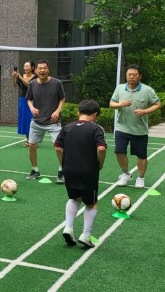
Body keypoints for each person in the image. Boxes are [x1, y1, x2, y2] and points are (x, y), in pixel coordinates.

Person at [54, 99, 107, 249]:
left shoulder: (67, 127)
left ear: (78, 112)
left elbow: (58, 148)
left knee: (74, 197)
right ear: (95, 114)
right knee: (91, 202)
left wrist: (63, 164)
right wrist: (100, 163)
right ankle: (85, 235)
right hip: (88, 170)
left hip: (69, 168)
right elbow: (101, 149)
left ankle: (68, 228)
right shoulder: (96, 129)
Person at [109, 64, 161, 189]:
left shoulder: (148, 90)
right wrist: (120, 104)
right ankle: (126, 174)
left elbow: (158, 104)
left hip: (139, 130)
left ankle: (141, 178)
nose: (131, 77)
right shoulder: (120, 88)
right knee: (119, 151)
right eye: (129, 74)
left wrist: (145, 111)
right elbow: (111, 103)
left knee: (141, 155)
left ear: (140, 76)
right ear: (126, 75)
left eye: (134, 75)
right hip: (122, 127)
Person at [25, 59, 66, 183]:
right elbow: (29, 99)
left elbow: (62, 98)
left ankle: (62, 171)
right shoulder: (32, 84)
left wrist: (58, 110)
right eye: (40, 68)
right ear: (36, 70)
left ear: (48, 69)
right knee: (32, 145)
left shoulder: (57, 83)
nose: (42, 70)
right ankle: (35, 170)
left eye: (44, 68)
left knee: (59, 148)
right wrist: (32, 108)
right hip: (37, 122)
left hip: (53, 122)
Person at [12, 61, 36, 146]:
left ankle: (33, 140)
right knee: (25, 120)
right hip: (23, 99)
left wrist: (20, 77)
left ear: (32, 68)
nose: (25, 68)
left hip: (33, 100)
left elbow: (29, 85)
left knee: (31, 120)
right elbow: (15, 85)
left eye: (27, 66)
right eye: (24, 66)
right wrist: (14, 77)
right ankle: (29, 140)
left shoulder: (35, 77)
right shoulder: (21, 76)